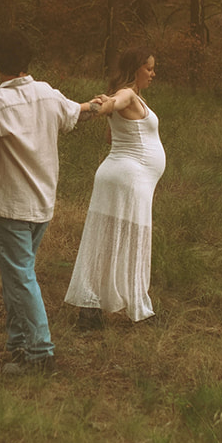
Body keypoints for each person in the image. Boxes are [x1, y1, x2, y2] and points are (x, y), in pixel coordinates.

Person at [0, 29, 101, 376]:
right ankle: (18, 345)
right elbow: (74, 113)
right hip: (42, 203)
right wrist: (94, 106)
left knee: (20, 278)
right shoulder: (48, 95)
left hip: (10, 206)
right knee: (19, 277)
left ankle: (40, 353)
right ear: (28, 60)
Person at [65, 46, 166, 325]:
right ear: (136, 69)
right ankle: (140, 310)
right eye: (149, 68)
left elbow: (111, 136)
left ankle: (90, 308)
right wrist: (102, 106)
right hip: (129, 178)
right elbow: (116, 101)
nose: (153, 73)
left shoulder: (134, 99)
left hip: (117, 173)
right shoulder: (128, 94)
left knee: (104, 240)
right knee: (132, 241)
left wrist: (110, 110)